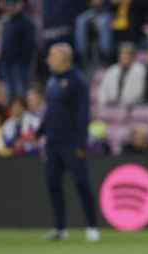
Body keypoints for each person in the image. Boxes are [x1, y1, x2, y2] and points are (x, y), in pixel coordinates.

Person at [37, 43, 99, 242]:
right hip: (53, 142)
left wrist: (81, 144)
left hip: (71, 143)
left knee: (81, 183)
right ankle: (60, 228)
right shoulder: (52, 81)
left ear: (64, 58)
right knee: (53, 184)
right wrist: (40, 131)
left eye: (51, 56)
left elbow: (83, 115)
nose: (48, 60)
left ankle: (91, 226)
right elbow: (49, 111)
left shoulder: (78, 82)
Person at [98, 42, 146, 106]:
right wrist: (105, 102)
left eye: (127, 54)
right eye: (122, 53)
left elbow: (139, 93)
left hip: (132, 107)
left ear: (133, 56)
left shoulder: (140, 70)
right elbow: (102, 90)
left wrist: (121, 103)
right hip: (110, 107)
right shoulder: (111, 70)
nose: (124, 56)